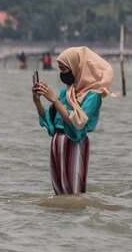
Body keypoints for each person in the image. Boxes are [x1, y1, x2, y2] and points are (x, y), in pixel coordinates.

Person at [32, 46, 113, 195]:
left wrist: (55, 100)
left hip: (74, 142)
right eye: (61, 69)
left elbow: (78, 122)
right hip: (57, 141)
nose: (62, 74)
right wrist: (37, 101)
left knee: (74, 192)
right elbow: (52, 120)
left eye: (65, 69)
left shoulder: (93, 96)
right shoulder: (67, 91)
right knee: (59, 193)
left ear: (78, 67)